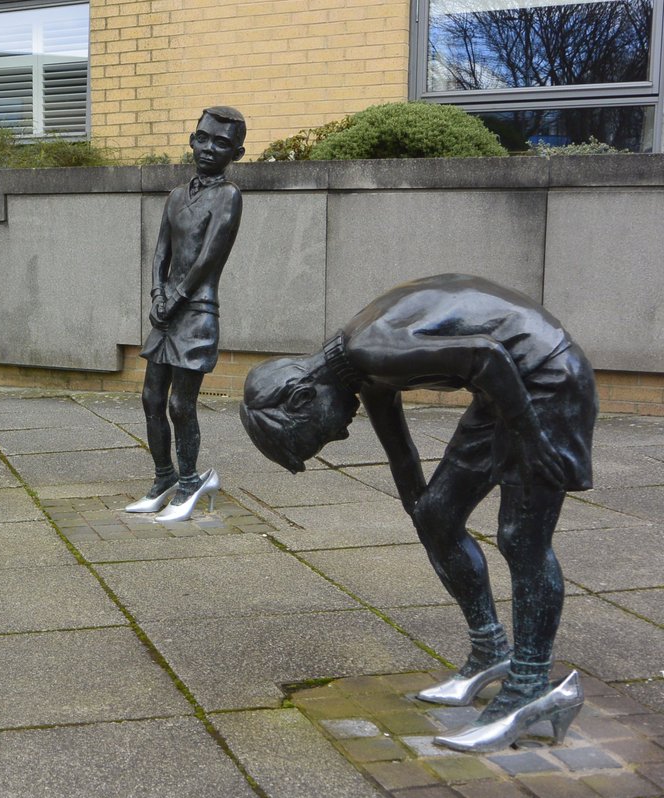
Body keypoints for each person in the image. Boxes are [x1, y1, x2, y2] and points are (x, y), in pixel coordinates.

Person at [239, 274, 596, 752]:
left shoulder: (370, 352)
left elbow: (487, 355)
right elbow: (401, 453)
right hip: (504, 391)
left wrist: (533, 437)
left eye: (321, 435)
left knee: (521, 538)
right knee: (437, 517)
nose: (340, 437)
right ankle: (491, 650)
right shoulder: (358, 367)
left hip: (547, 382)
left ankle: (529, 685)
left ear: (303, 396)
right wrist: (423, 512)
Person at [127, 106, 247, 522]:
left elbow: (209, 258)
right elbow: (162, 250)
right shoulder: (177, 195)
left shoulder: (229, 196)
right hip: (167, 311)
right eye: (203, 138)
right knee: (150, 398)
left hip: (195, 312)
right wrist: (156, 292)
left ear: (238, 152)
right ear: (192, 139)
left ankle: (193, 481)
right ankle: (164, 477)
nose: (209, 148)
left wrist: (173, 299)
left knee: (181, 404)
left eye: (222, 143)